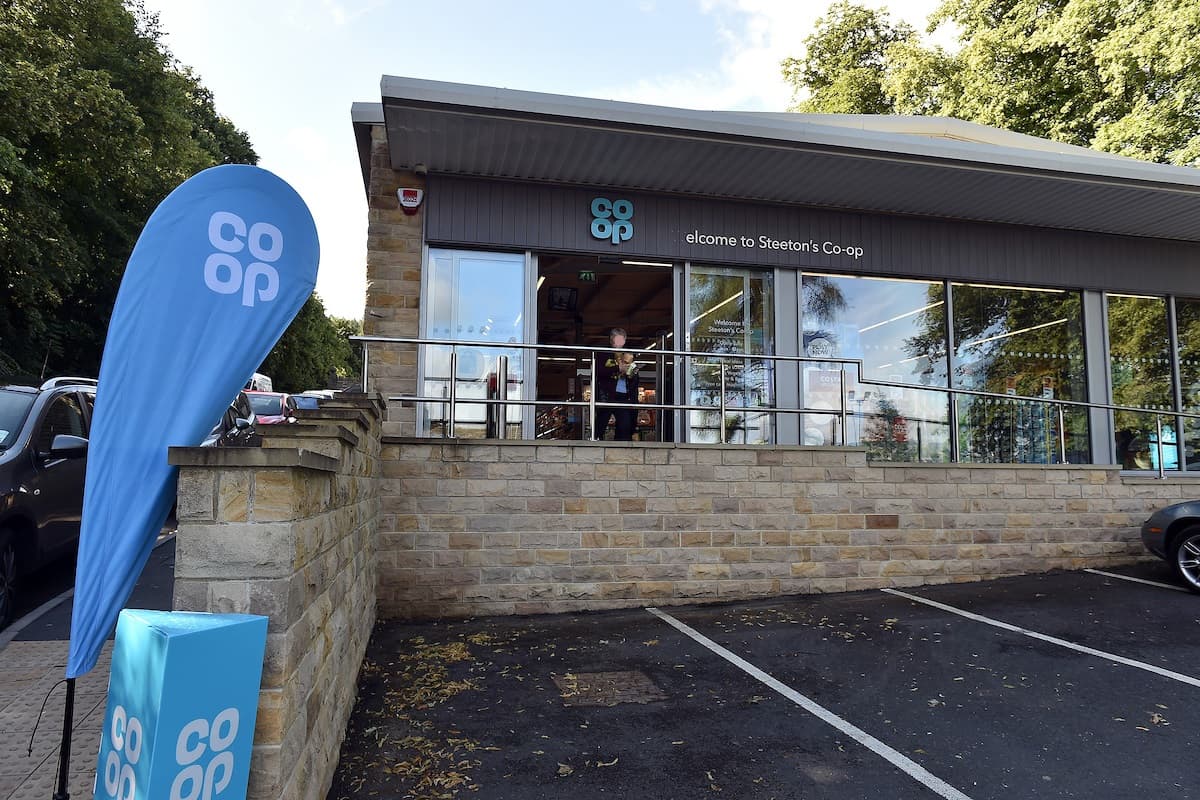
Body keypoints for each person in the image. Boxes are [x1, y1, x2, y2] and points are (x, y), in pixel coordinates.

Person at [593, 327, 639, 441]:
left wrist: (632, 374)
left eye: (621, 341)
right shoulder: (603, 353)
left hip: (624, 396)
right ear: (611, 340)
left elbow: (635, 380)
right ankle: (597, 443)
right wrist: (617, 368)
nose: (619, 344)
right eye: (616, 340)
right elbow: (598, 371)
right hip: (607, 395)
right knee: (601, 424)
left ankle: (621, 450)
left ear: (625, 340)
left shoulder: (629, 355)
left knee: (625, 426)